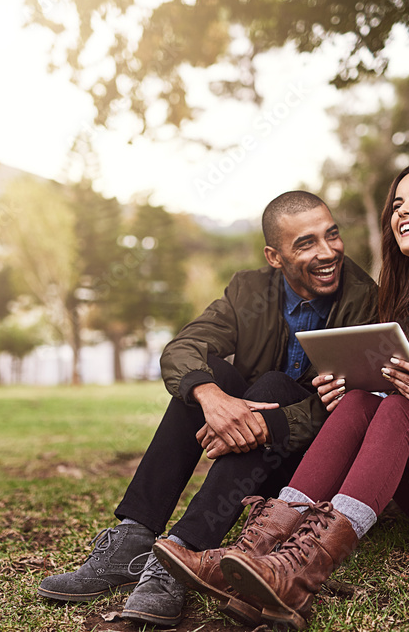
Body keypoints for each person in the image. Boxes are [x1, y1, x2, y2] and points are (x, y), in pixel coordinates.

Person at [154, 161, 409, 630]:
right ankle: (255, 554)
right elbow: (382, 408)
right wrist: (350, 387)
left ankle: (299, 572)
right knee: (360, 401)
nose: (403, 210)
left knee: (401, 409)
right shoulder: (407, 310)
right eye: (396, 203)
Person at [37, 191, 378, 626]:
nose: (328, 252)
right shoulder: (248, 290)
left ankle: (182, 554)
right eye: (306, 243)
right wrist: (213, 399)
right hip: (250, 459)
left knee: (273, 385)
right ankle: (134, 536)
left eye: (331, 235)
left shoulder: (366, 301)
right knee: (208, 374)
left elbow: (351, 412)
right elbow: (182, 349)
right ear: (275, 256)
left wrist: (264, 421)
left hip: (306, 470)